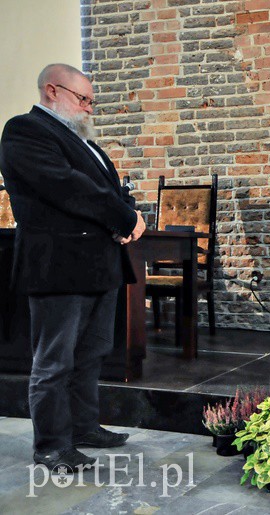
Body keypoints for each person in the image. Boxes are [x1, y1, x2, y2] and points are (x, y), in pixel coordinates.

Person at [0, 63, 146, 471]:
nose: (88, 109)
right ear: (52, 90)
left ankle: (83, 428)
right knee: (54, 362)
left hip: (99, 263)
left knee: (91, 354)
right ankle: (50, 445)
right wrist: (124, 219)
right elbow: (69, 188)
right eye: (83, 99)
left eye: (90, 102)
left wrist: (125, 215)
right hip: (58, 266)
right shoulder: (25, 130)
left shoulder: (80, 139)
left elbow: (110, 190)